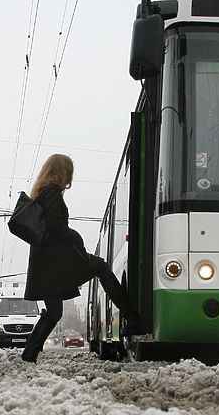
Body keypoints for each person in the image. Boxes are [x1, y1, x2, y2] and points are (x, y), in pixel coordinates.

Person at [21, 154, 142, 363]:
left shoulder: (43, 192)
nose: (70, 178)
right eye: (69, 172)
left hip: (46, 265)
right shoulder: (52, 194)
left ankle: (29, 353)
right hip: (55, 264)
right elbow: (56, 229)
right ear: (62, 173)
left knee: (54, 312)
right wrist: (75, 236)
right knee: (102, 267)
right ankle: (132, 318)